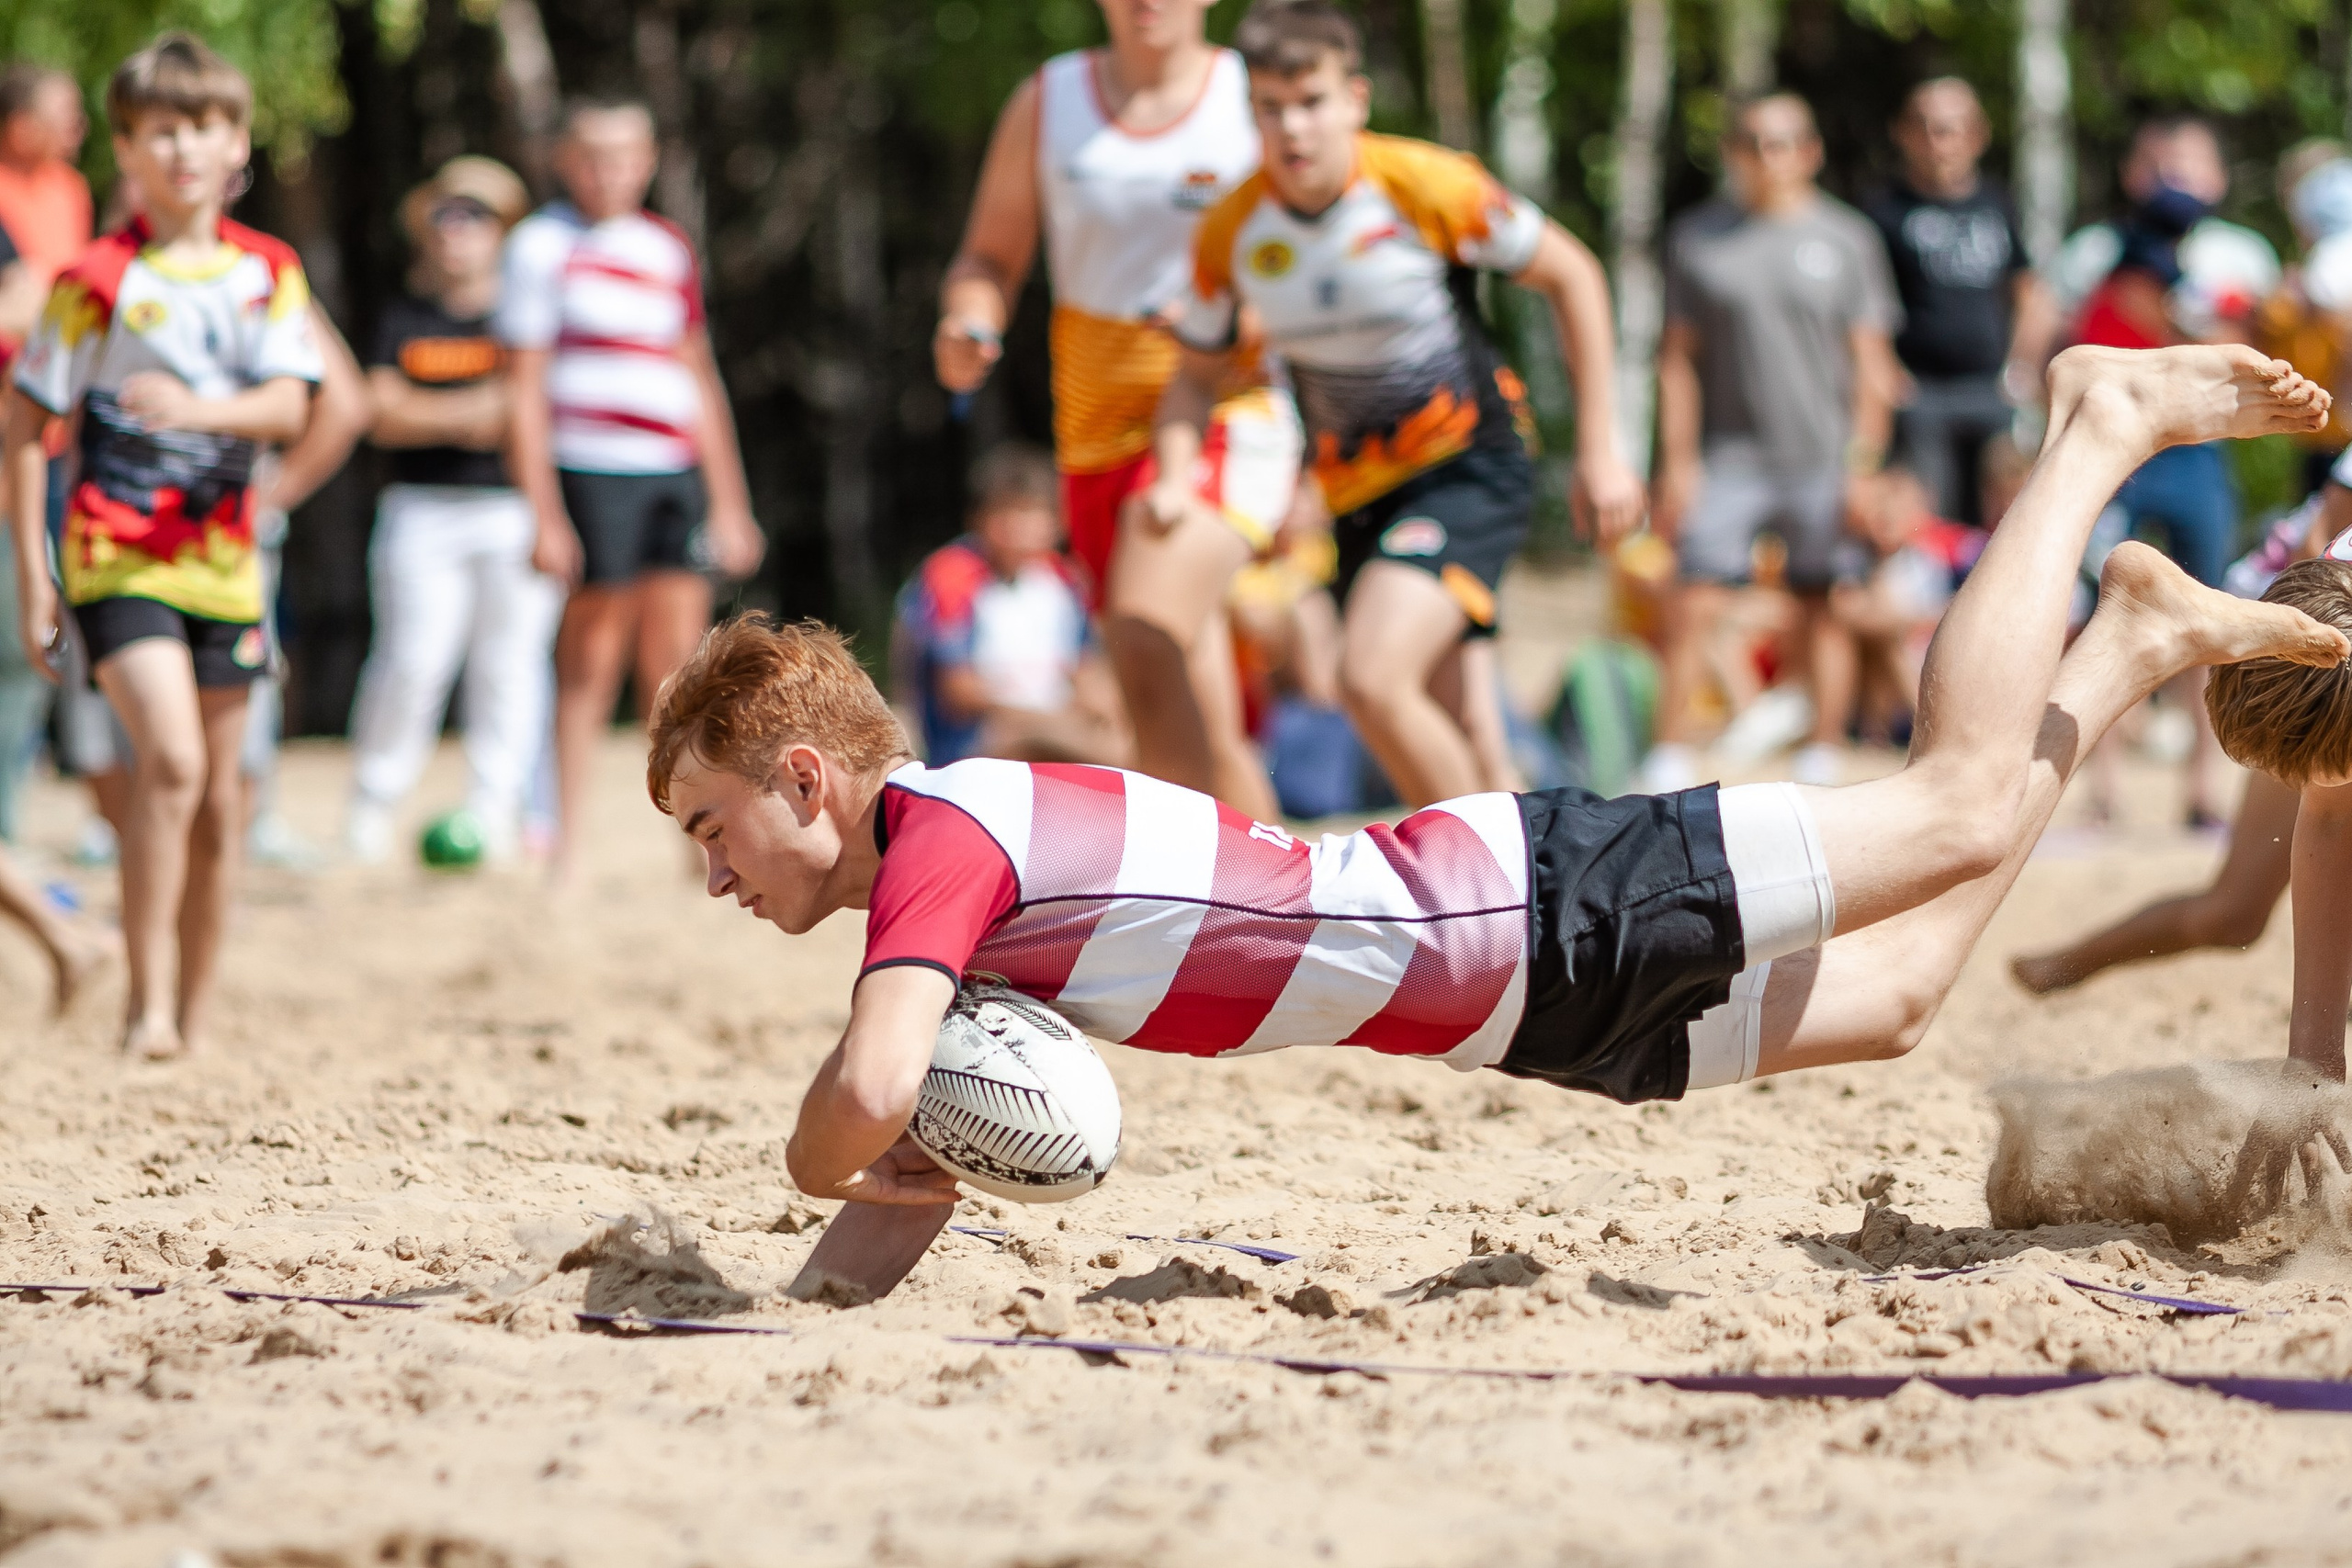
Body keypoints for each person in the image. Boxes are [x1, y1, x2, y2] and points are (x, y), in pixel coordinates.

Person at [645, 344, 2346, 1300]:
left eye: (713, 824)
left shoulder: (940, 849)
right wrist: (812, 1298)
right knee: (1899, 997)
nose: (711, 873)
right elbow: (901, 1160)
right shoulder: (948, 885)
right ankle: (2124, 641)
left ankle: (2091, 428)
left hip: (1525, 904)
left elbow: (867, 1095)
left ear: (806, 777)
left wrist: (813, 1157)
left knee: (1956, 806)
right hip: (1517, 1011)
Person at [1160, 0, 1641, 809]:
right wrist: (1174, 478)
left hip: (1465, 465)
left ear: (1356, 99)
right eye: (1270, 108)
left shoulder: (1424, 185)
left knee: (1370, 677)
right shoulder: (1231, 231)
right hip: (1357, 497)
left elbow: (1575, 274)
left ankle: (1479, 879)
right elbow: (1193, 376)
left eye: (1311, 102)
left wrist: (1601, 448)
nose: (1293, 129)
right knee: (1472, 731)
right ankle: (1537, 871)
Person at [2, 34, 322, 1058]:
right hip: (117, 556)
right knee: (172, 765)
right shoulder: (93, 277)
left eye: (204, 126)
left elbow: (292, 405)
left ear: (238, 145)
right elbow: (23, 425)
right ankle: (143, 1007)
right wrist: (35, 576)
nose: (183, 147)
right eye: (159, 131)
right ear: (127, 151)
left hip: (226, 562)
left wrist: (199, 408)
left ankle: (194, 1015)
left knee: (222, 805)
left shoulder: (269, 270)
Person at [933, 0, 1302, 820]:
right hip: (1094, 438)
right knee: (1192, 707)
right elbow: (988, 257)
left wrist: (1243, 321)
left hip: (1223, 410)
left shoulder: (1252, 96)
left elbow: (1319, 249)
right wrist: (969, 320)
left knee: (1143, 629)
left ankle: (1186, 876)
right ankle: (1287, 883)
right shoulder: (1048, 101)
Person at [500, 96, 763, 882]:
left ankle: (698, 846)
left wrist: (731, 502)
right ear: (564, 160)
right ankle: (566, 845)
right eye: (591, 155)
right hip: (589, 470)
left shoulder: (666, 247)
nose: (607, 171)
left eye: (623, 155)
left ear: (648, 161)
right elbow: (523, 389)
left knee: (678, 665)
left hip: (670, 470)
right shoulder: (540, 245)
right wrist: (545, 512)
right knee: (590, 658)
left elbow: (698, 373)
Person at [2010, 454, 2352, 995]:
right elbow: (2320, 541)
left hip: (2312, 666)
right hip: (2308, 674)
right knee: (2233, 915)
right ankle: (2069, 963)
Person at [1642, 93, 1905, 794]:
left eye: (1783, 142)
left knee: (1824, 602)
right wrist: (1677, 461)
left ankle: (1822, 750)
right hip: (1729, 457)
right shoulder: (1698, 240)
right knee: (1694, 598)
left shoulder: (1848, 239)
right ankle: (1668, 753)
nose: (1768, 157)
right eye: (1754, 143)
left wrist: (1863, 465)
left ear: (1810, 152)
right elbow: (1676, 361)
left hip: (1823, 457)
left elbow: (1872, 364)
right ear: (1733, 152)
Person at [344, 157, 555, 864]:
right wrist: (478, 411)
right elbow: (379, 411)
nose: (457, 229)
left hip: (513, 510)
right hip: (420, 509)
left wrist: (428, 410)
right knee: (410, 662)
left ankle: (496, 815)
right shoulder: (404, 313)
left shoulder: (522, 318)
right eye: (445, 214)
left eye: (476, 215)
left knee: (509, 668)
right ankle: (371, 808)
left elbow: (527, 407)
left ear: (505, 230)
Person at [2069, 115, 2274, 829]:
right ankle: (2101, 786)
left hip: (2200, 453)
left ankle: (2204, 785)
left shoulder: (2240, 253)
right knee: (2102, 611)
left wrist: (2179, 313)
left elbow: (2249, 348)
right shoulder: (2097, 250)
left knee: (2208, 611)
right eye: (2161, 164)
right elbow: (2086, 336)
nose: (2172, 179)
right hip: (2122, 449)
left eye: (2187, 165)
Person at [1865, 78, 2057, 527]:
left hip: (1992, 392)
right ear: (1903, 133)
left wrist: (2021, 370)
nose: (1938, 142)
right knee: (1926, 526)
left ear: (1976, 135)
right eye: (1925, 128)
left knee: (2004, 519)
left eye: (1950, 128)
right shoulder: (1882, 211)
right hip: (1920, 395)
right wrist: (1887, 375)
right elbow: (1862, 308)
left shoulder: (1997, 204)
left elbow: (2030, 293)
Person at [890, 444, 1125, 768]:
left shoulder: (1065, 581)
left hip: (1056, 723)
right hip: (979, 740)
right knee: (1054, 740)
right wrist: (1051, 718)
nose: (1019, 530)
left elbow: (1084, 668)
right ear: (978, 520)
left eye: (1031, 514)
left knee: (1125, 734)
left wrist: (1103, 706)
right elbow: (958, 692)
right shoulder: (952, 577)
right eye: (1007, 515)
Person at [0, 62, 89, 845]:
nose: (79, 127)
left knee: (35, 632)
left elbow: (65, 312)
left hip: (51, 444)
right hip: (10, 437)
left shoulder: (69, 192)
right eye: (63, 112)